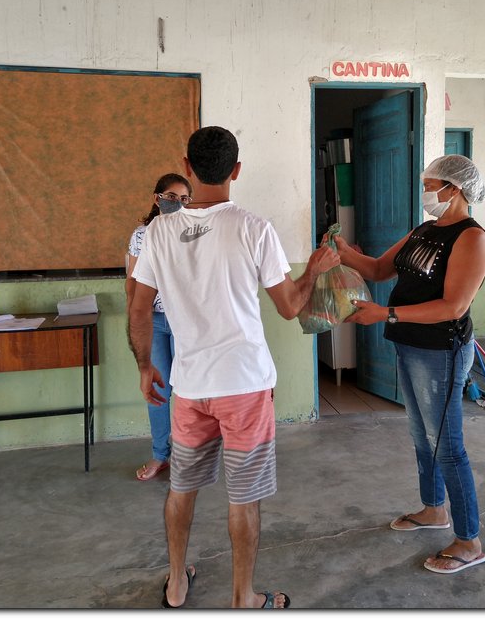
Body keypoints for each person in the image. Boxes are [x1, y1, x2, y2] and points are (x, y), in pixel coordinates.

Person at [128, 126, 339, 608]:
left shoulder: (158, 231)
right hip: (244, 386)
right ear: (236, 171)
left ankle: (177, 583)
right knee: (243, 497)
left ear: (187, 166)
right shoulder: (253, 227)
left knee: (182, 489)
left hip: (189, 386)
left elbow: (139, 309)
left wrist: (145, 365)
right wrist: (314, 269)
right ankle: (244, 598)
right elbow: (290, 307)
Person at [333, 154, 485, 575]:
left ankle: (469, 540)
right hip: (409, 346)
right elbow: (381, 269)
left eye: (430, 184)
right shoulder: (424, 231)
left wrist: (385, 315)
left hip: (441, 351)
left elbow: (453, 306)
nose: (425, 192)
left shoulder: (471, 239)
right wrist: (345, 253)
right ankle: (433, 510)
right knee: (423, 437)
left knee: (448, 446)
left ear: (453, 190)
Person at [125, 172, 194, 482]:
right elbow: (132, 285)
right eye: (170, 197)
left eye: (183, 199)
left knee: (190, 390)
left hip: (185, 321)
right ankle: (159, 455)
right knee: (157, 389)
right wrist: (135, 322)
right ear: (157, 199)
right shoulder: (141, 235)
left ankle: (188, 455)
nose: (176, 204)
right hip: (153, 322)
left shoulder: (194, 232)